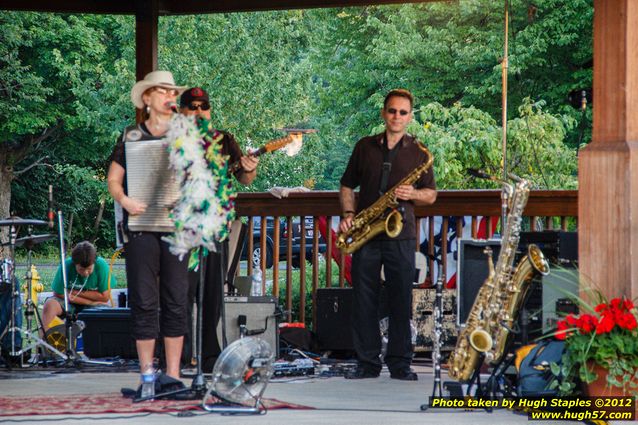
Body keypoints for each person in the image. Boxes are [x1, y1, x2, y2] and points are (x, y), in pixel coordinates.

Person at [339, 89, 437, 381]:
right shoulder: (364, 146)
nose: (397, 117)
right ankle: (367, 363)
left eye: (403, 112)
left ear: (410, 117)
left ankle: (400, 364)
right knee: (363, 300)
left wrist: (413, 193)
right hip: (367, 232)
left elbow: (431, 195)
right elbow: (346, 186)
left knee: (400, 299)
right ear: (384, 113)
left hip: (401, 232)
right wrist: (348, 216)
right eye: (392, 111)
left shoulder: (419, 152)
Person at [107, 70, 189, 382]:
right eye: (163, 91)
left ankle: (173, 374)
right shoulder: (131, 136)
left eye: (173, 92)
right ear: (147, 98)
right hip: (141, 228)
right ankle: (147, 375)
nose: (171, 96)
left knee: (176, 301)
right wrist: (125, 201)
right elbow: (114, 180)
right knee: (143, 300)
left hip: (176, 228)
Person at [179, 87, 259, 371]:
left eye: (204, 106)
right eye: (193, 106)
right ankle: (180, 355)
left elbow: (245, 178)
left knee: (213, 294)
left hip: (215, 230)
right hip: (183, 229)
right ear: (182, 111)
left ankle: (209, 356)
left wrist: (251, 165)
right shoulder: (175, 141)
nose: (199, 111)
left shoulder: (224, 140)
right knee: (182, 294)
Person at [41, 241, 111, 330]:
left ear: (94, 262)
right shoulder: (66, 265)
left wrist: (73, 292)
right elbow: (58, 293)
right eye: (81, 269)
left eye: (89, 269)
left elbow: (105, 297)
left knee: (105, 313)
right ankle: (46, 340)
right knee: (49, 305)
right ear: (74, 264)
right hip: (71, 303)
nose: (85, 273)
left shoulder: (102, 265)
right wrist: (89, 302)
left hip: (93, 305)